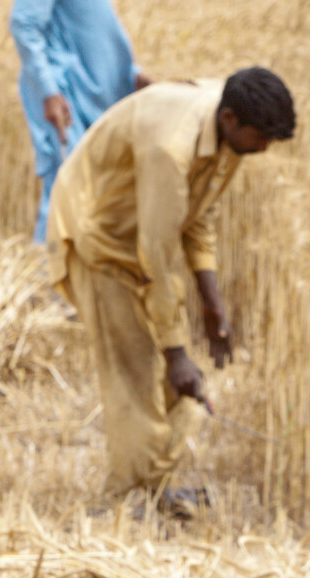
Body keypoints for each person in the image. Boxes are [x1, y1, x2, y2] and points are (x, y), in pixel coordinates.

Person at [46, 68, 296, 512]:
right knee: (137, 368)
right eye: (261, 138)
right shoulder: (171, 147)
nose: (264, 149)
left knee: (170, 377)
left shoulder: (228, 124)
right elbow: (155, 256)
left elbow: (197, 216)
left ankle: (155, 487)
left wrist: (213, 305)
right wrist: (177, 350)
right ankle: (128, 500)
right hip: (96, 237)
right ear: (233, 119)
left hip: (137, 238)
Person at [10, 0, 151, 243]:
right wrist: (49, 92)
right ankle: (43, 276)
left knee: (91, 203)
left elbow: (93, 28)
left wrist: (132, 73)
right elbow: (24, 25)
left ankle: (74, 278)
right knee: (66, 194)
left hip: (99, 103)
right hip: (67, 97)